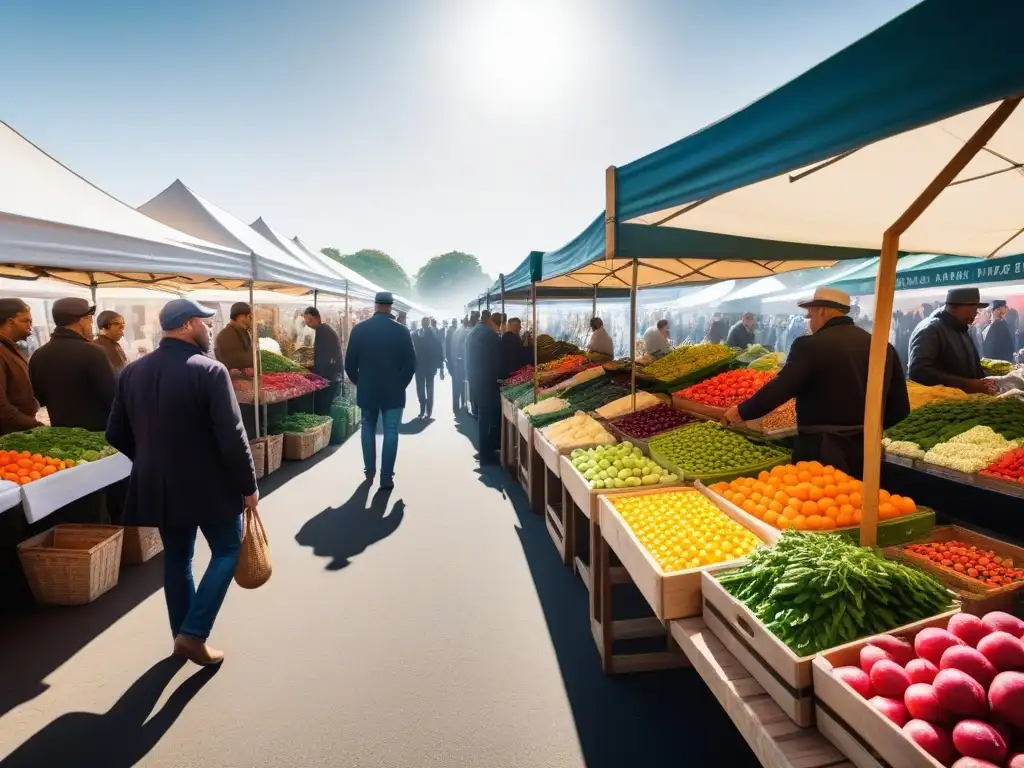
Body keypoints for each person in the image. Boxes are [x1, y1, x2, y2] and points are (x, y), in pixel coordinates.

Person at [106, 298, 258, 666]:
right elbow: (233, 436)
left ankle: (182, 635)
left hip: (158, 482)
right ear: (189, 324)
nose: (208, 330)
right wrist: (249, 485)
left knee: (178, 558)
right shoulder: (210, 370)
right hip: (208, 482)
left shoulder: (132, 371)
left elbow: (115, 433)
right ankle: (194, 633)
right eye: (204, 324)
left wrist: (149, 459)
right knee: (227, 549)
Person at [724, 288, 909, 478]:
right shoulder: (883, 347)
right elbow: (900, 408)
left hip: (821, 449)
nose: (809, 322)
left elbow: (780, 388)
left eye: (810, 315)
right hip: (866, 450)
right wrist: (866, 428)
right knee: (853, 502)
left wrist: (742, 411)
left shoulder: (810, 345)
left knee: (816, 502)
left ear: (822, 311)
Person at [344, 293, 416, 488]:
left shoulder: (359, 330)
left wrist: (361, 382)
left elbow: (349, 363)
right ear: (390, 307)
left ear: (375, 306)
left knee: (367, 427)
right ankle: (386, 476)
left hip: (368, 388)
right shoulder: (401, 331)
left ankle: (369, 470)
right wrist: (401, 383)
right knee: (391, 431)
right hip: (393, 389)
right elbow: (411, 364)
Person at [29, 298, 115, 432]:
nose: (90, 324)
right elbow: (111, 396)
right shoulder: (94, 352)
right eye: (89, 319)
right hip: (97, 434)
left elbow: (40, 398)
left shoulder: (38, 355)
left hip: (62, 433)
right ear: (81, 320)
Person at [908, 288, 997, 394]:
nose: (976, 312)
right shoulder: (930, 329)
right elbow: (919, 371)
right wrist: (967, 385)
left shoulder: (961, 328)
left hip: (964, 401)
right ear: (955, 307)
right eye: (973, 307)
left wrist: (983, 380)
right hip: (941, 405)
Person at [0, 298, 41, 435]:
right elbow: (2, 407)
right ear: (10, 322)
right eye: (26, 321)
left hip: (18, 430)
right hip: (8, 436)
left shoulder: (10, 348)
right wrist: (35, 426)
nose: (30, 326)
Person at [468, 312, 503, 463]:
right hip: (487, 384)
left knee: (483, 419)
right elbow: (496, 363)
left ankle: (483, 451)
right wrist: (501, 377)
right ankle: (486, 456)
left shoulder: (474, 331)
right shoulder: (490, 336)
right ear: (490, 320)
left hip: (477, 382)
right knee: (488, 420)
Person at [304, 306, 344, 414]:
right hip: (330, 377)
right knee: (323, 410)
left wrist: (312, 373)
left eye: (310, 320)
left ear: (317, 318)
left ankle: (326, 430)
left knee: (322, 410)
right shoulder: (323, 330)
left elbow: (322, 359)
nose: (308, 324)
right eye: (306, 322)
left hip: (328, 378)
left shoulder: (323, 332)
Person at [412, 317, 442, 418]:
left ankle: (426, 409)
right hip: (425, 366)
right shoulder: (419, 334)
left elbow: (438, 349)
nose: (424, 324)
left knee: (425, 388)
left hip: (424, 366)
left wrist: (439, 365)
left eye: (425, 322)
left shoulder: (429, 334)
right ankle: (425, 409)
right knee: (425, 388)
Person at [213, 302, 254, 371]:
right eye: (250, 316)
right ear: (242, 317)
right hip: (236, 380)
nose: (251, 319)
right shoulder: (226, 336)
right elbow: (236, 361)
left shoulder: (241, 331)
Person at [465, 310, 489, 416]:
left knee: (475, 393)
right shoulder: (481, 332)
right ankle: (476, 411)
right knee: (479, 399)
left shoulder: (473, 332)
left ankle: (475, 411)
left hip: (472, 369)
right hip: (477, 371)